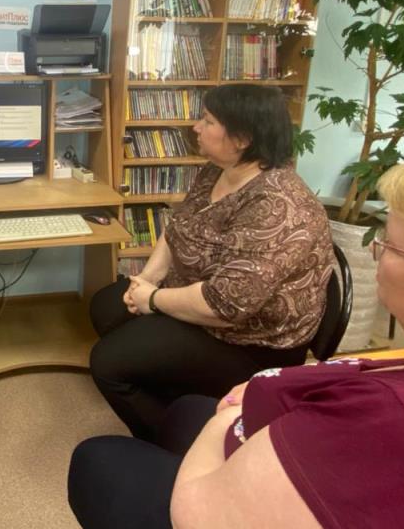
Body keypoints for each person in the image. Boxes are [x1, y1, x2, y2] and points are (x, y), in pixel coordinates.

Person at [69, 148, 404, 528]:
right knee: (186, 410)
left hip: (244, 355)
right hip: (259, 397)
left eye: (392, 247)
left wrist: (227, 420)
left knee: (100, 457)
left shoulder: (393, 422)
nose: (376, 253)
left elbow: (197, 515)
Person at [89, 84, 333, 441]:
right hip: (199, 295)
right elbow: (179, 227)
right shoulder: (217, 171)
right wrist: (149, 278)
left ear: (242, 139)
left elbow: (224, 306)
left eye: (208, 121)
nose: (196, 127)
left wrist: (152, 299)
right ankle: (174, 393)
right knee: (106, 307)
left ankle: (176, 441)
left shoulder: (279, 205)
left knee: (108, 362)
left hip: (250, 341)